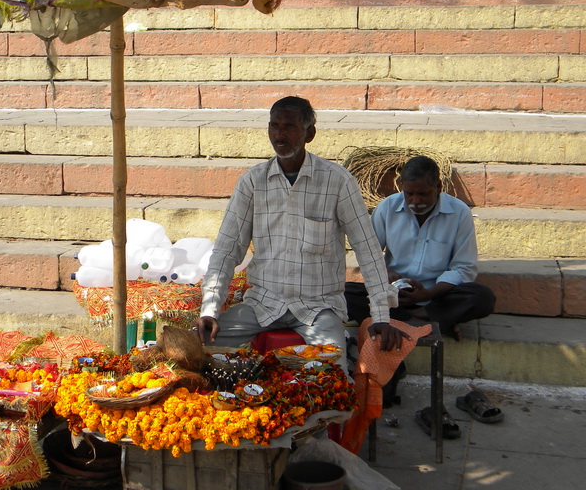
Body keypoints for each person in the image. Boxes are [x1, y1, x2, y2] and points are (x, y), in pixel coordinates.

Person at [194, 96, 408, 372]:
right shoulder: (252, 182)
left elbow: (367, 250)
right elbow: (226, 251)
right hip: (262, 304)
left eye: (289, 126)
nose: (280, 134)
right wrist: (209, 310)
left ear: (310, 133)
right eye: (274, 126)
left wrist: (381, 315)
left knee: (334, 374)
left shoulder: (338, 181)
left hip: (318, 308)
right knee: (198, 349)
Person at [345, 155, 496, 342]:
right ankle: (425, 320)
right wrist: (386, 271)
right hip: (394, 295)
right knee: (344, 293)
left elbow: (464, 268)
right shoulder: (387, 208)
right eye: (409, 194)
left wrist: (428, 294)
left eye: (423, 194)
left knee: (482, 297)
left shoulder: (459, 213)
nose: (416, 201)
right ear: (401, 186)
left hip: (437, 295)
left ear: (439, 187)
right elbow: (369, 255)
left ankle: (416, 317)